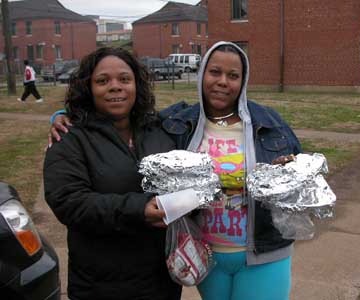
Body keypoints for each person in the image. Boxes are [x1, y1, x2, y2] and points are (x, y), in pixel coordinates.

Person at [49, 41, 302, 300]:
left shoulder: (269, 124)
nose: (223, 82)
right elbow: (69, 199)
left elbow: (297, 172)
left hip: (259, 253)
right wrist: (62, 114)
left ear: (244, 80)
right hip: (205, 253)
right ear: (202, 73)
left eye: (233, 75)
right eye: (214, 72)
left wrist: (288, 173)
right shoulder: (179, 123)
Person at [43, 47, 181, 300]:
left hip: (161, 282)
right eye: (102, 81)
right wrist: (139, 209)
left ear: (137, 85)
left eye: (124, 79)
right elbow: (69, 201)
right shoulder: (70, 138)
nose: (115, 87)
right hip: (101, 286)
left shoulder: (159, 130)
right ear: (88, 88)